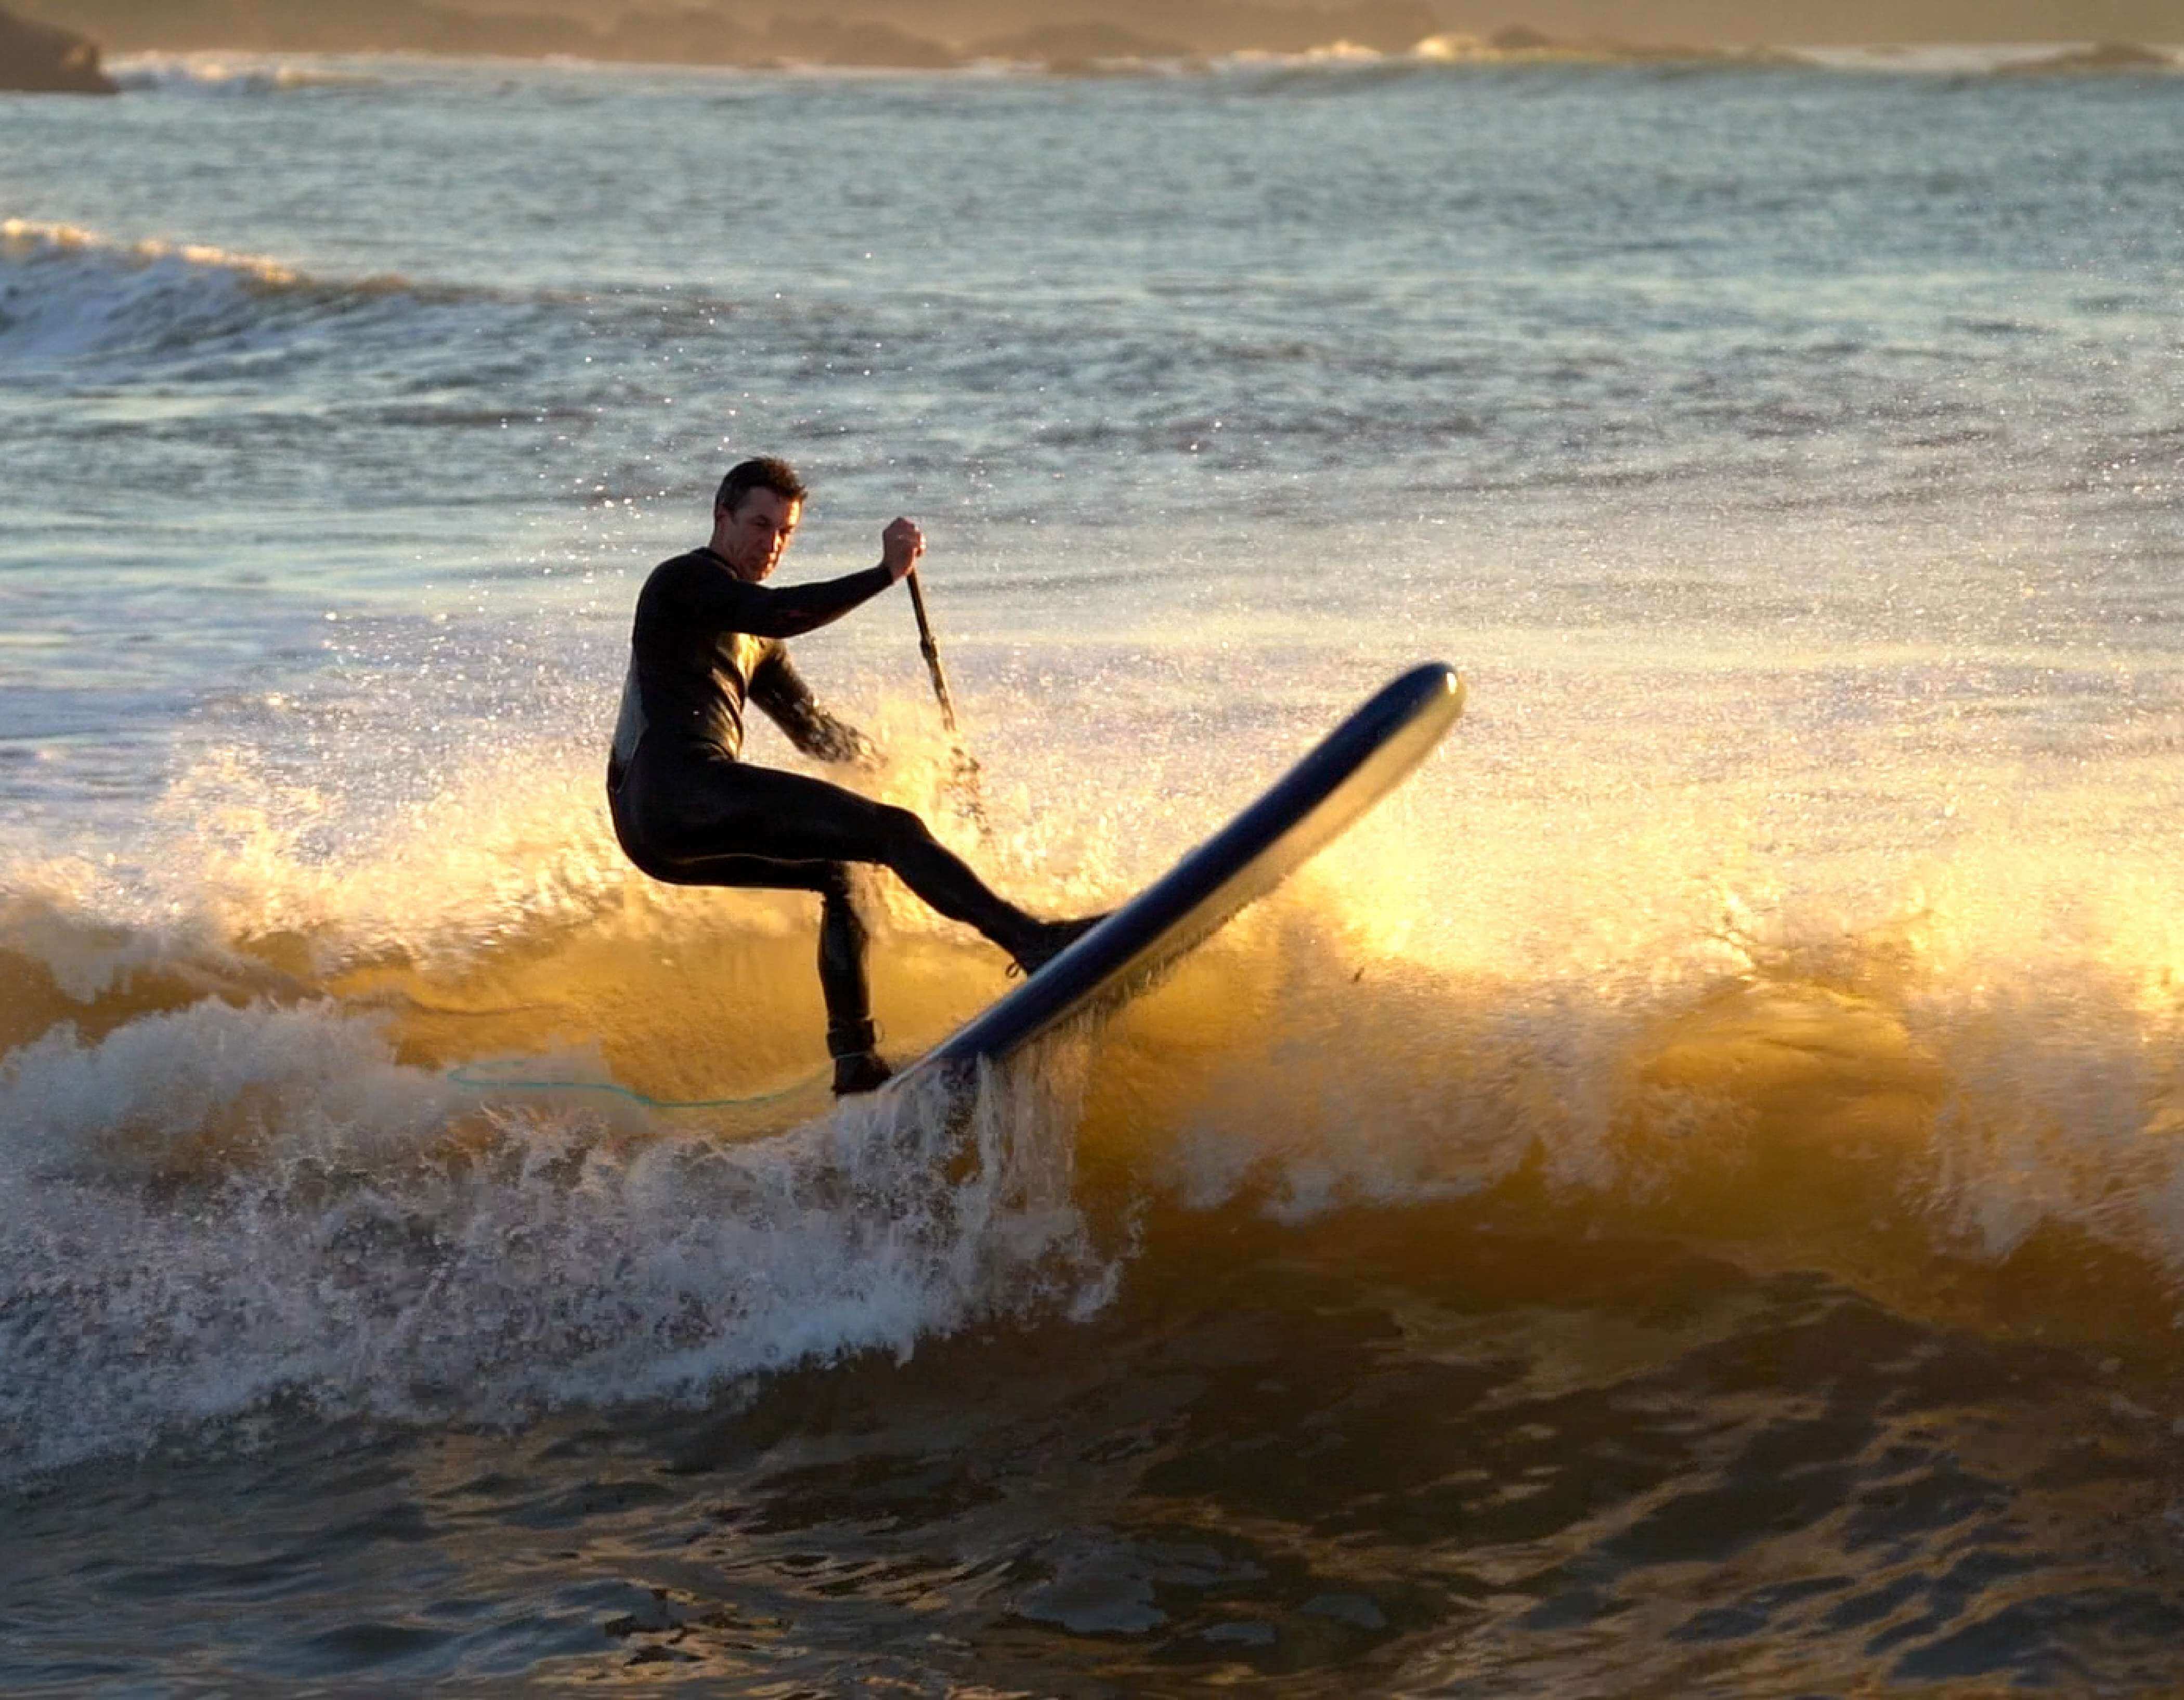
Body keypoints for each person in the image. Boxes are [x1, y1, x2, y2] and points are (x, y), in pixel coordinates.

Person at [605, 456, 1100, 1095]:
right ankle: (1032, 941)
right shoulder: (683, 582)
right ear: (721, 517)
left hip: (658, 833)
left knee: (841, 874)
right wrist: (882, 576)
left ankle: (855, 1060)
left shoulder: (759, 644)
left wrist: (926, 765)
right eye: (760, 525)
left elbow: (817, 734)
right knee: (894, 833)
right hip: (677, 793)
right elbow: (780, 611)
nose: (772, 544)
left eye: (785, 532)